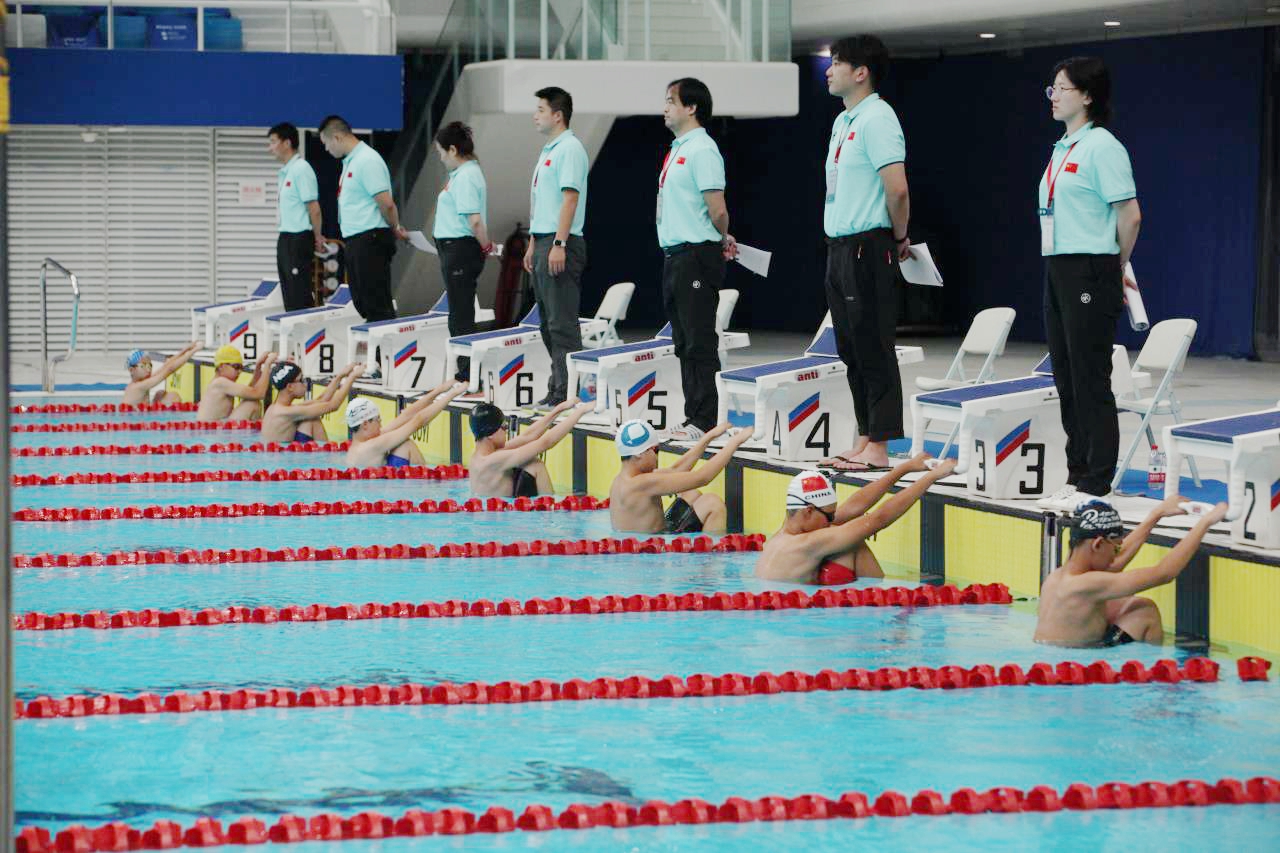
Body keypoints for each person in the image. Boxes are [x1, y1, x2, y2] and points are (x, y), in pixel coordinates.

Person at [1034, 57, 1142, 511]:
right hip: (1058, 267)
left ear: (1088, 96)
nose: (1054, 95)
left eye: (1063, 88)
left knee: (1089, 377)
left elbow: (1130, 216)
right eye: (1052, 88)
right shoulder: (1063, 147)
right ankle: (1076, 473)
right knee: (1065, 376)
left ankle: (1096, 481)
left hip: (1091, 268)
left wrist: (1114, 265)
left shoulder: (1103, 147)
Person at [818, 35, 912, 473]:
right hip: (839, 248)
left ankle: (881, 445)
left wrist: (898, 236)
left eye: (836, 63)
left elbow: (897, 189)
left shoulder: (878, 118)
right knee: (851, 349)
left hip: (868, 245)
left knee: (873, 344)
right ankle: (865, 436)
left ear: (861, 73)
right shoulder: (844, 121)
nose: (828, 70)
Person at [657, 78, 738, 442]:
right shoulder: (678, 148)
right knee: (683, 340)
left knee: (698, 339)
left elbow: (717, 209)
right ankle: (695, 415)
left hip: (696, 255)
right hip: (676, 255)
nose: (665, 107)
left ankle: (706, 419)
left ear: (691, 108)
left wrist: (721, 237)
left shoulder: (703, 149)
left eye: (671, 101)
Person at [1035, 498, 1227, 646]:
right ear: (1098, 544)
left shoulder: (1059, 576)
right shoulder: (1087, 585)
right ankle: (1153, 675)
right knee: (1144, 611)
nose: (1116, 556)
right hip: (1079, 666)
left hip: (1056, 662)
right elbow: (1164, 573)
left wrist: (1156, 515)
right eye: (1116, 548)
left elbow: (1115, 563)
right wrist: (1205, 522)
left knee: (1120, 602)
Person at [755, 455, 956, 584]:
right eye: (829, 516)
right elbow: (878, 519)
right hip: (798, 619)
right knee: (854, 542)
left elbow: (853, 507)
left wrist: (904, 468)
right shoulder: (808, 543)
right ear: (808, 511)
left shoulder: (783, 534)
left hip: (784, 612)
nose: (832, 521)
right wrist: (932, 477)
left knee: (849, 536)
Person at [522, 87, 589, 409]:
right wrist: (533, 243)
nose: (535, 115)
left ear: (558, 115)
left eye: (541, 110)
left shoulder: (570, 149)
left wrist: (559, 243)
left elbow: (570, 199)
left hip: (561, 241)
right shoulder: (549, 150)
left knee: (562, 323)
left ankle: (567, 393)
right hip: (544, 240)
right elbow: (543, 204)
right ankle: (557, 388)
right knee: (548, 323)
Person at [319, 115, 406, 322]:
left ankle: (383, 342)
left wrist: (395, 227)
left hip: (371, 239)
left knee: (377, 305)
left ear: (337, 137)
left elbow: (387, 203)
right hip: (357, 241)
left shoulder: (367, 160)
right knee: (363, 303)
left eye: (326, 143)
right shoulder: (351, 162)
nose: (326, 149)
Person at [609, 419, 751, 534]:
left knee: (691, 494)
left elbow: (675, 470)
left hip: (655, 535)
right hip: (652, 549)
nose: (657, 456)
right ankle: (709, 555)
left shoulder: (625, 480)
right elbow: (703, 478)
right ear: (639, 454)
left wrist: (708, 437)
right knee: (713, 503)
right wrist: (735, 442)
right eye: (655, 450)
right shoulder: (642, 484)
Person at [432, 121, 493, 382]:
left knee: (461, 314)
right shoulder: (462, 174)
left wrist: (486, 245)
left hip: (460, 249)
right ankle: (465, 371)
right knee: (459, 312)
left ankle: (469, 374)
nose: (441, 158)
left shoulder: (467, 175)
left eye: (441, 153)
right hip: (455, 249)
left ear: (453, 150)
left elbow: (475, 221)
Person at [468, 399, 593, 497]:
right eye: (504, 427)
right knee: (536, 465)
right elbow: (546, 443)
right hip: (499, 519)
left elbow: (528, 436)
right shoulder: (492, 461)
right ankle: (550, 511)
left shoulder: (481, 455)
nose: (506, 431)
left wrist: (559, 409)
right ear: (490, 434)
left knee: (533, 464)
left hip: (496, 512)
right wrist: (580, 412)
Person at [345, 380, 466, 468]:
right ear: (365, 424)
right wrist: (452, 394)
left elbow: (406, 416)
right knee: (405, 444)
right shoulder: (372, 446)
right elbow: (418, 421)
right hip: (390, 491)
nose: (381, 425)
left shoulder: (360, 446)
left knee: (401, 444)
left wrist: (439, 390)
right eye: (378, 420)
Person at [269, 122, 324, 311]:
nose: (270, 147)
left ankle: (306, 330)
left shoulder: (301, 169)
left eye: (273, 142)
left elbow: (314, 208)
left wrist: (318, 237)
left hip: (299, 239)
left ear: (287, 143)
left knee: (299, 295)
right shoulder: (285, 172)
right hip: (285, 238)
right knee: (289, 296)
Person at [260, 360, 362, 445]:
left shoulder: (277, 408)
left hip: (279, 455)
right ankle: (326, 458)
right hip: (283, 460)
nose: (305, 384)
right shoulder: (286, 412)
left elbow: (321, 400)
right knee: (313, 419)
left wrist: (340, 376)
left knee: (310, 419)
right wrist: (352, 377)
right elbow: (333, 406)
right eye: (301, 380)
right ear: (290, 387)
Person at [196, 346, 277, 421]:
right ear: (221, 366)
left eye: (241, 368)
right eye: (236, 367)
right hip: (214, 430)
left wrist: (258, 366)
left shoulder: (219, 383)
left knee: (251, 401)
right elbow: (259, 394)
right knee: (252, 404)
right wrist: (267, 366)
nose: (240, 371)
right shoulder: (220, 383)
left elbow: (251, 392)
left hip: (217, 427)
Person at [122, 341, 199, 405]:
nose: (148, 369)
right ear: (131, 370)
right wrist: (194, 351)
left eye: (149, 365)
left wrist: (185, 350)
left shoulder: (140, 382)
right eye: (143, 366)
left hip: (140, 414)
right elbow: (169, 369)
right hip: (136, 417)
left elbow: (165, 366)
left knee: (160, 393)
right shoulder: (139, 386)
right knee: (173, 397)